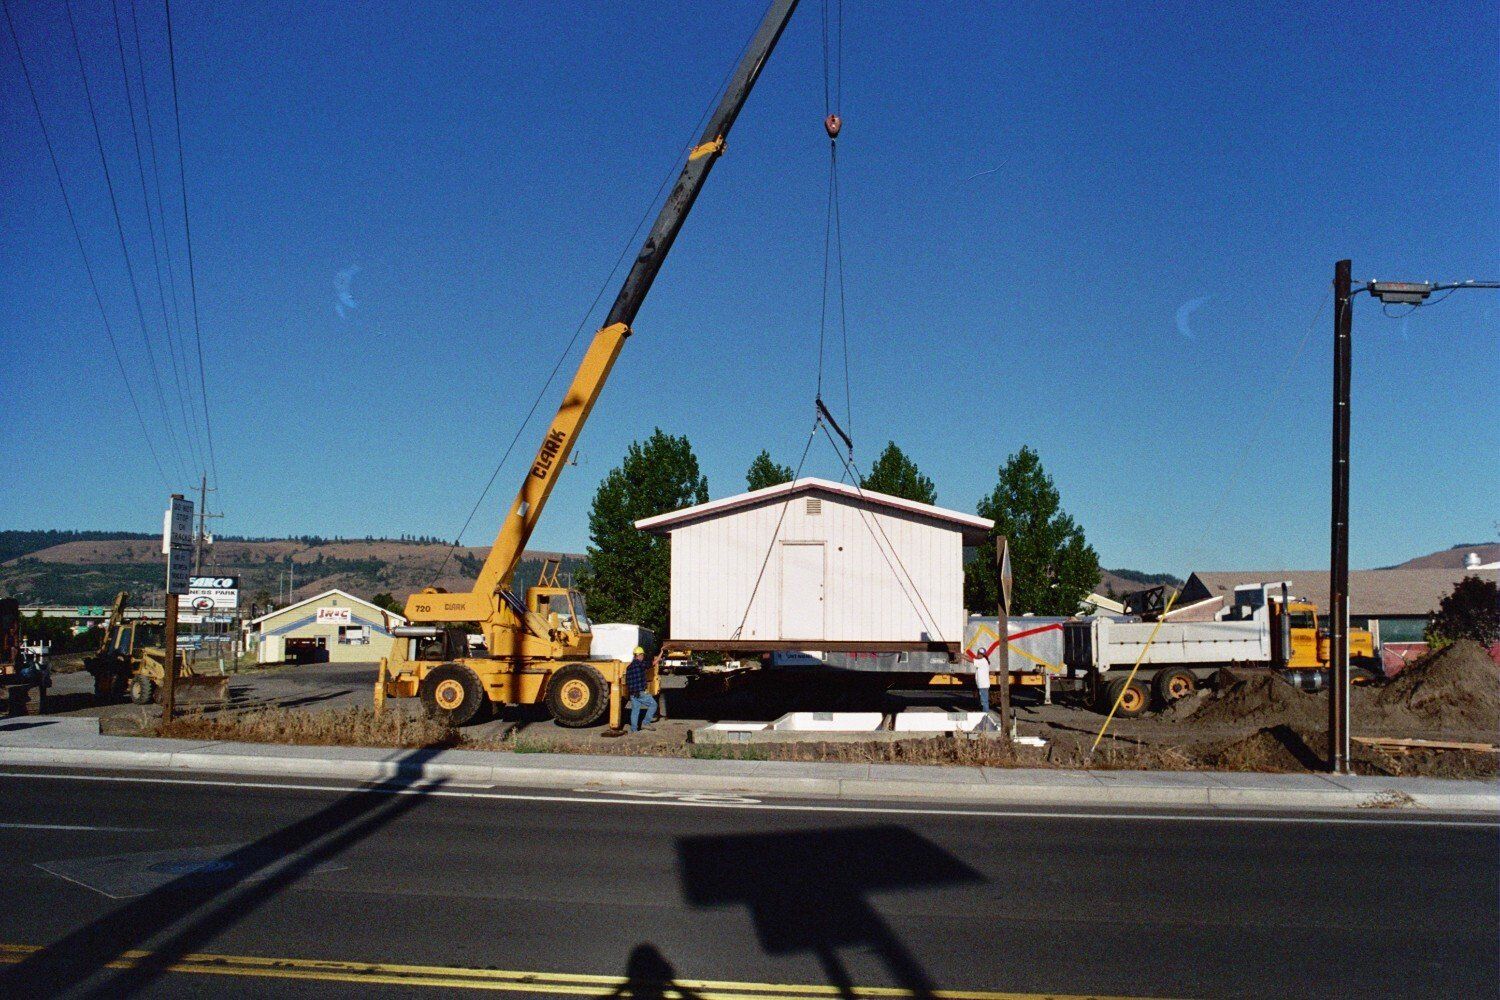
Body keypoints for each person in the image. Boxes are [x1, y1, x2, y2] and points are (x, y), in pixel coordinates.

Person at [625, 646, 657, 733]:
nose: (643, 657)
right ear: (639, 655)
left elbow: (628, 681)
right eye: (642, 655)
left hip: (632, 693)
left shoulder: (629, 667)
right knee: (653, 705)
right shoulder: (640, 664)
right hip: (640, 692)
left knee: (635, 711)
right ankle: (646, 723)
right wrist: (661, 654)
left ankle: (634, 730)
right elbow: (652, 664)